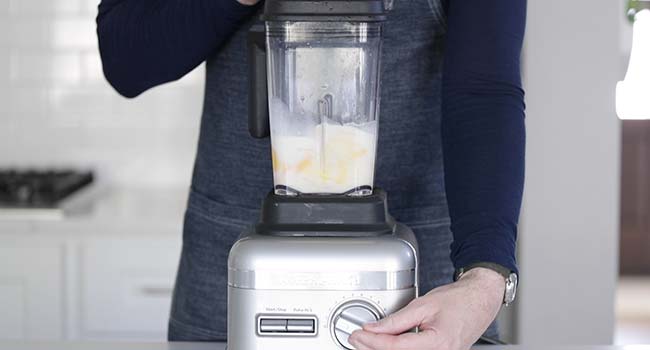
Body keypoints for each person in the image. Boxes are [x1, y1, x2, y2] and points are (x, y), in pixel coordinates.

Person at [96, 0, 526, 348]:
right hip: (236, 272)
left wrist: (485, 278)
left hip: (424, 286)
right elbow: (125, 57)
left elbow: (484, 90)